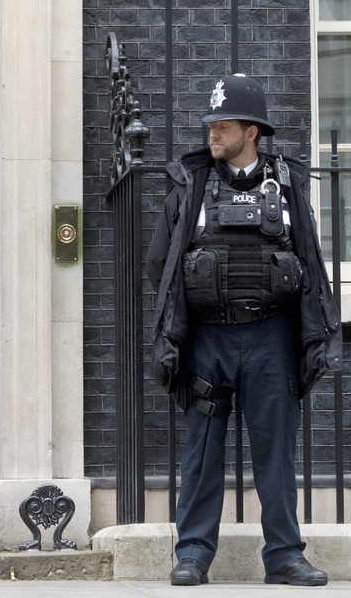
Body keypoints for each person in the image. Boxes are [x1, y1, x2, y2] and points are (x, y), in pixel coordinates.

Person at [145, 74, 341, 587]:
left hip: (271, 336)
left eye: (223, 125)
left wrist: (319, 333)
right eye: (211, 124)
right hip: (209, 336)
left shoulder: (289, 185)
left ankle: (283, 556)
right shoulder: (189, 185)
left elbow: (311, 263)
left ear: (251, 131)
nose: (212, 133)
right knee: (202, 448)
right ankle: (192, 554)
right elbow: (159, 266)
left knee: (275, 451)